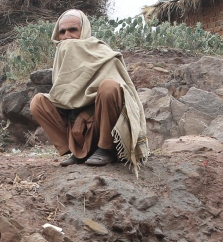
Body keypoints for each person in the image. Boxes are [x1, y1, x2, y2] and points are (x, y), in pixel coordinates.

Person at [29, 10, 148, 168]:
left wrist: (85, 115)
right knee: (38, 102)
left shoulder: (101, 52)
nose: (67, 36)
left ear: (83, 31)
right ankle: (77, 152)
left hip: (104, 121)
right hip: (77, 127)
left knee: (109, 87)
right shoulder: (63, 54)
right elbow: (65, 98)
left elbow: (121, 94)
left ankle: (107, 149)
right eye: (62, 32)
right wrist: (76, 116)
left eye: (73, 30)